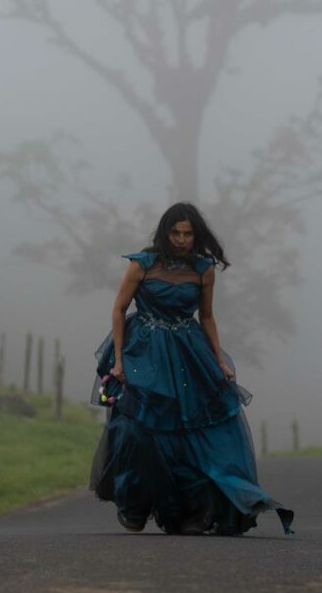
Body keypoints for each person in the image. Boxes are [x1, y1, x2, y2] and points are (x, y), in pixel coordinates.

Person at [88, 202, 294, 536]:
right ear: (164, 232)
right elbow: (118, 309)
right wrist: (120, 361)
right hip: (143, 350)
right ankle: (135, 505)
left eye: (188, 233)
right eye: (176, 232)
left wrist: (219, 360)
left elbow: (208, 317)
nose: (182, 239)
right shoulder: (142, 264)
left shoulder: (203, 269)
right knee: (134, 429)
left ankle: (189, 510)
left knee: (191, 431)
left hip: (187, 352)